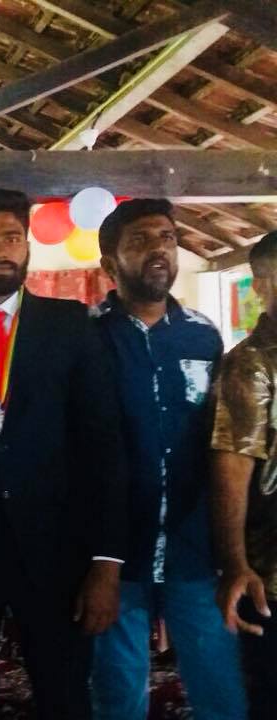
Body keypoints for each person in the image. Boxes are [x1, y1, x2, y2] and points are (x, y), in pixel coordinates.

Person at [0, 188, 129, 719]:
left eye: (11, 237)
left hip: (58, 554)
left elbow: (104, 445)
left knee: (65, 697)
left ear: (28, 246)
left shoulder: (71, 325)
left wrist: (106, 562)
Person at [90, 198, 246, 719]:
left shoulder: (203, 335)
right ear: (109, 264)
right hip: (117, 550)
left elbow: (221, 438)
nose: (158, 249)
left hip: (193, 544)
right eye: (139, 240)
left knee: (220, 686)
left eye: (167, 238)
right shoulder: (87, 337)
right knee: (117, 692)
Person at [211, 229, 277, 720]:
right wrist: (234, 563)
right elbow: (231, 466)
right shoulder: (251, 364)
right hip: (270, 571)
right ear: (262, 286)